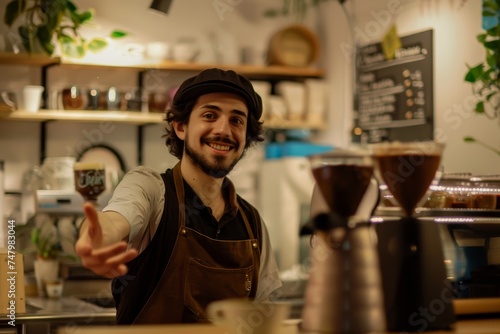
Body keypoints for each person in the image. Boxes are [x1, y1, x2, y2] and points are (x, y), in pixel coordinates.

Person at [75, 68, 282, 324]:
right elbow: (114, 221)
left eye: (237, 120)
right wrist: (96, 238)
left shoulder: (253, 223)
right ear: (181, 127)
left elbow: (263, 315)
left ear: (246, 136)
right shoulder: (151, 190)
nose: (223, 129)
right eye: (209, 115)